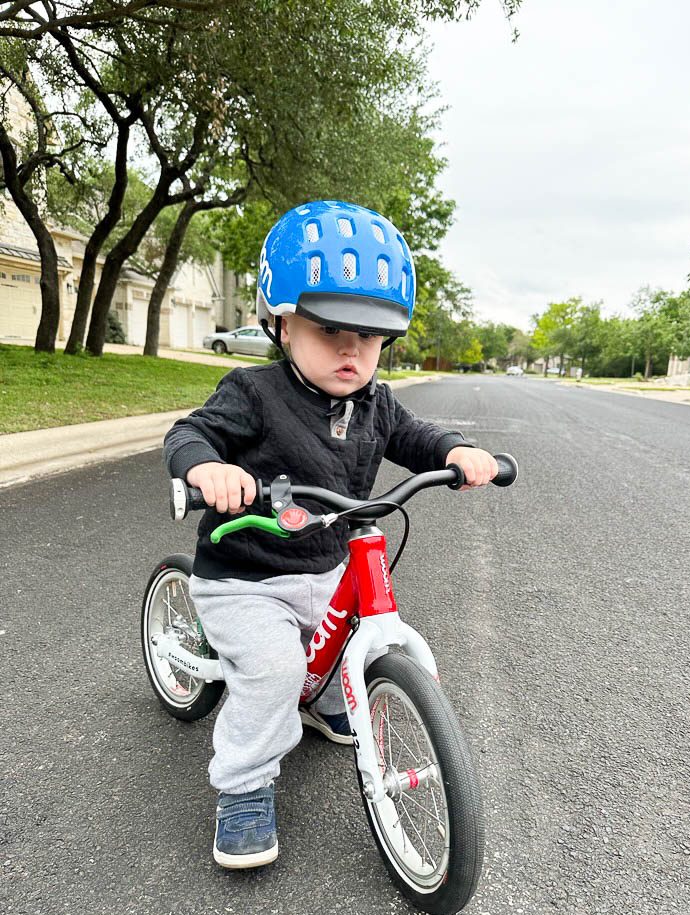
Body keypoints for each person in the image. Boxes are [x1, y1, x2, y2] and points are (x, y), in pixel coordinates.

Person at [163, 200, 498, 869]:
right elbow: (191, 432)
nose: (352, 350)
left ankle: (319, 700)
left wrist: (456, 452)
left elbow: (417, 438)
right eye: (329, 330)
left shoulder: (376, 402)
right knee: (273, 670)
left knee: (346, 633)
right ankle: (244, 786)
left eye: (369, 338)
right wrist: (208, 467)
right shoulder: (252, 393)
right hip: (247, 576)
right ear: (281, 325)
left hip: (324, 563)